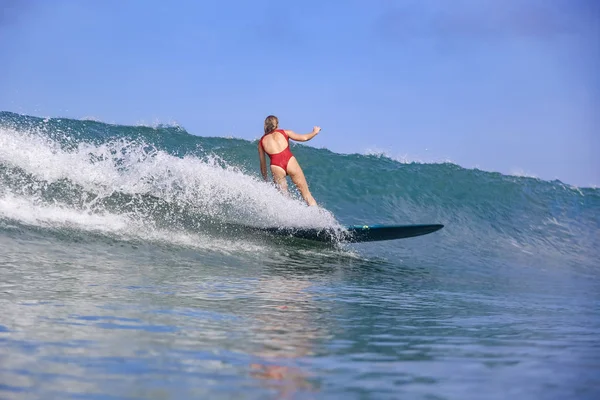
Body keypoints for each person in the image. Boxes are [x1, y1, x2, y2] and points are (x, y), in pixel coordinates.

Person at [258, 115, 321, 206]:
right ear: (277, 124)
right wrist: (315, 132)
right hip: (289, 161)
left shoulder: (261, 142)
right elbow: (304, 138)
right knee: (307, 195)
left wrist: (265, 179)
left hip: (276, 166)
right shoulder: (285, 132)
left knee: (285, 200)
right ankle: (316, 217)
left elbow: (263, 165)